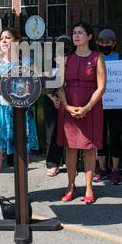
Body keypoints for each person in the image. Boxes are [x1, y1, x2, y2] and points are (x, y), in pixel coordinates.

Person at [0, 28, 39, 207]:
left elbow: (37, 86)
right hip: (0, 112)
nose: (4, 41)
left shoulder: (26, 62)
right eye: (2, 38)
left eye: (8, 38)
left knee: (23, 151)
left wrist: (54, 97)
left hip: (21, 112)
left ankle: (22, 188)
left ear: (17, 41)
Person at [55, 22, 106, 203]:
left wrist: (87, 107)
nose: (76, 36)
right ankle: (70, 185)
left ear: (89, 36)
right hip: (68, 106)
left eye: (80, 33)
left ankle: (89, 187)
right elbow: (59, 85)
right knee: (70, 148)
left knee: (89, 148)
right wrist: (67, 106)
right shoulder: (65, 59)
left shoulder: (97, 58)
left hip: (90, 108)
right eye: (74, 33)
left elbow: (101, 87)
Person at [93, 29, 122, 186]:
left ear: (113, 43)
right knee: (99, 137)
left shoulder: (121, 59)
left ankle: (115, 169)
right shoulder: (95, 58)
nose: (104, 44)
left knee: (115, 136)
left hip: (117, 106)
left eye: (107, 42)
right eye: (101, 41)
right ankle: (101, 169)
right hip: (99, 104)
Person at [44, 35, 72, 176]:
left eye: (67, 45)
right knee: (52, 131)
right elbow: (44, 80)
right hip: (52, 100)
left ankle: (70, 162)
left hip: (70, 99)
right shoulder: (49, 61)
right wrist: (54, 98)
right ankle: (53, 162)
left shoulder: (74, 59)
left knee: (71, 131)